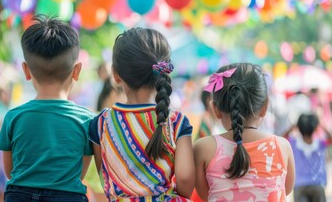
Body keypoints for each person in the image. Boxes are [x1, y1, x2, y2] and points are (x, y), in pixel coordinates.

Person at [89, 27, 195, 201]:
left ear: (115, 75)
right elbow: (184, 179)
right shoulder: (176, 122)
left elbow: (105, 177)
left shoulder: (101, 123)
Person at [0, 15, 93, 201]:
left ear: (26, 70)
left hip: (19, 196)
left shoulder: (13, 117)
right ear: (77, 71)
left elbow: (10, 171)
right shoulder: (87, 120)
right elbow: (79, 175)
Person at [194, 63, 295, 201]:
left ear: (215, 109)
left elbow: (204, 195)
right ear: (265, 107)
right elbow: (285, 189)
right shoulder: (282, 147)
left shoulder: (203, 148)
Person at [284, 113, 332, 202]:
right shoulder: (320, 144)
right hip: (317, 183)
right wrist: (321, 125)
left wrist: (292, 127)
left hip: (299, 185)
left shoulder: (294, 143)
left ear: (299, 128)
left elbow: (282, 138)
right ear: (315, 128)